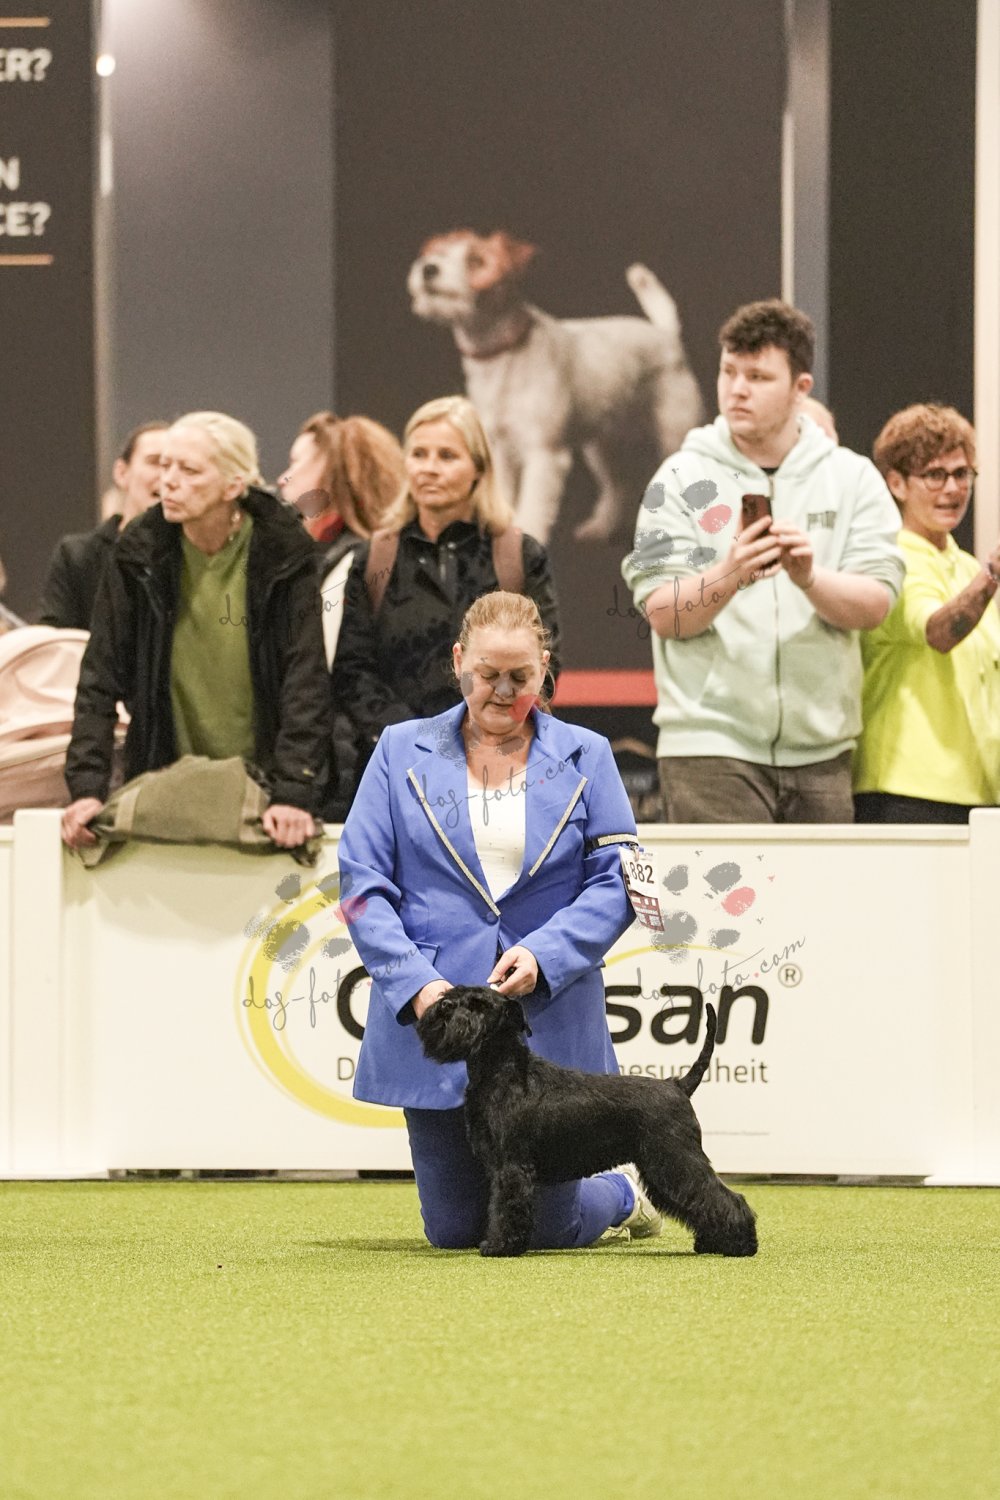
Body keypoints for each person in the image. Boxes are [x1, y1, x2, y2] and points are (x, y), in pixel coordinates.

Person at [338, 590, 659, 1250]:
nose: (505, 692)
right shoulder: (397, 750)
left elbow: (620, 883)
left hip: (546, 1028)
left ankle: (621, 1195)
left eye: (522, 676)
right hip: (438, 1025)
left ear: (545, 669)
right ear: (459, 661)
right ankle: (606, 1193)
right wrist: (418, 986)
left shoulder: (590, 754)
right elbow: (360, 889)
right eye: (488, 674)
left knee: (543, 1229)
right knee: (456, 1231)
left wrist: (547, 953)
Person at [621, 298, 904, 823]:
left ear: (801, 388)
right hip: (709, 749)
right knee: (722, 886)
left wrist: (810, 578)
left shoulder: (852, 477)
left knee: (823, 886)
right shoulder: (679, 477)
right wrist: (730, 574)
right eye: (729, 371)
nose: (737, 389)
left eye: (758, 376)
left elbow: (875, 605)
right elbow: (663, 615)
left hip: (822, 752)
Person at [61, 411, 331, 851]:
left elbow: (305, 678)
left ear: (233, 485)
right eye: (164, 465)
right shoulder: (138, 552)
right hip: (163, 776)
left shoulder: (284, 552)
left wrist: (293, 791)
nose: (168, 481)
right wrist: (87, 788)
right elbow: (98, 678)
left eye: (188, 470)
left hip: (263, 784)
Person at [332, 395, 561, 804]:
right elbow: (352, 671)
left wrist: (478, 732)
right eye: (418, 454)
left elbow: (545, 661)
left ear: (479, 468)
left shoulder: (519, 556)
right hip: (396, 769)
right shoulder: (374, 558)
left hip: (501, 768)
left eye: (447, 456)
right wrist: (419, 741)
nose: (429, 467)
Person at [854, 403, 1000, 822]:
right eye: (935, 474)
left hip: (979, 790)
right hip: (905, 789)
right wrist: (992, 574)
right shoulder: (888, 559)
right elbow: (939, 632)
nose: (952, 489)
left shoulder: (966, 567)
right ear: (896, 483)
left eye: (962, 473)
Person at [277, 411, 404, 667]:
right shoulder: (309, 556)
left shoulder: (355, 565)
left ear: (332, 467)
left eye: (295, 462)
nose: (282, 479)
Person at [38, 422, 169, 628]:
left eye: (178, 467)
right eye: (155, 462)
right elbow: (56, 636)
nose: (167, 477)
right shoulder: (78, 555)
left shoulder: (192, 554)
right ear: (121, 473)